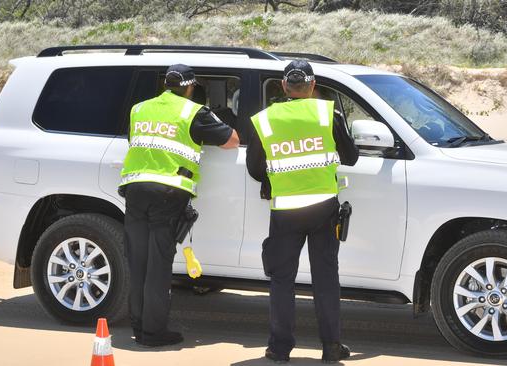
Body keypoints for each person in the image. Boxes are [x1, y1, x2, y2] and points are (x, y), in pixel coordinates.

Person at [246, 60, 359, 363]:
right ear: (312, 86)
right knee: (325, 279)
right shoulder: (327, 112)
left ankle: (279, 349)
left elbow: (255, 169)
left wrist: (274, 178)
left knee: (282, 281)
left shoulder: (264, 120)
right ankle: (331, 347)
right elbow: (351, 156)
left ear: (283, 86)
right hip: (323, 209)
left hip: (285, 212)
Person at [120, 64, 239, 347]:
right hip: (168, 192)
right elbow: (233, 140)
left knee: (138, 262)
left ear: (166, 84)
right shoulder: (192, 112)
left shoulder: (140, 108)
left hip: (135, 189)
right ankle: (153, 333)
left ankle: (138, 324)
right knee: (159, 265)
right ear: (190, 87)